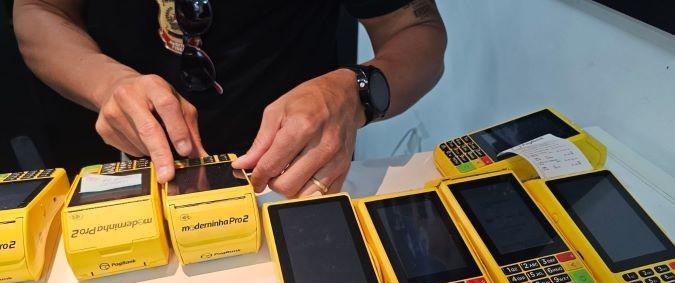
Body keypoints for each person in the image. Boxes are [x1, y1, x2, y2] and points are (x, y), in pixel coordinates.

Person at [14, 0, 446, 197]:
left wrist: (353, 93)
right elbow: (40, 10)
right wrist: (107, 84)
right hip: (131, 167)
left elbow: (415, 31)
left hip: (296, 174)